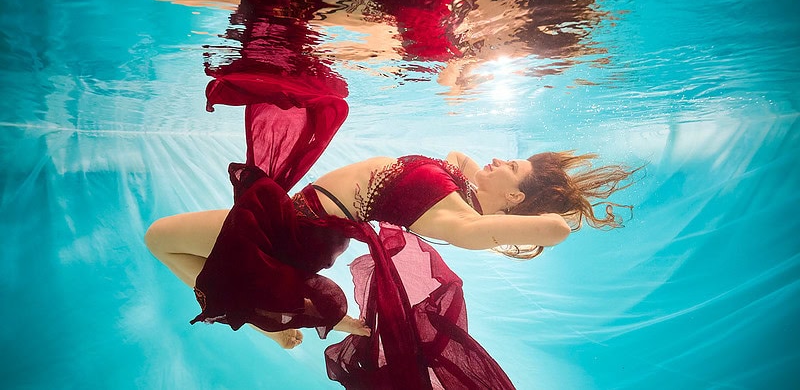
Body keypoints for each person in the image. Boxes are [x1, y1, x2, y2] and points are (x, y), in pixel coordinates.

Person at [146, 147, 636, 388]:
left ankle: (274, 317)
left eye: (513, 167)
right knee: (185, 253)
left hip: (293, 229)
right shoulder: (459, 184)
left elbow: (485, 232)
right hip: (299, 220)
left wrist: (553, 224)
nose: (501, 158)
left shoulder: (454, 215)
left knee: (160, 239)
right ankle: (274, 317)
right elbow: (456, 158)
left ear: (514, 196)